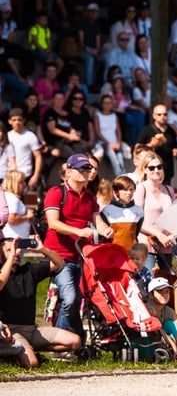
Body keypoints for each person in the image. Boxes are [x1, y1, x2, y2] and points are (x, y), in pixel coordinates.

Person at [44, 154, 111, 340]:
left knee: (78, 300)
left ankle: (64, 342)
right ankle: (68, 339)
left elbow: (97, 220)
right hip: (60, 256)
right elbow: (53, 224)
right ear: (69, 172)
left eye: (88, 168)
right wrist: (79, 231)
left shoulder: (89, 197)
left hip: (82, 257)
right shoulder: (56, 192)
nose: (86, 172)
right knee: (71, 299)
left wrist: (106, 230)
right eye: (82, 168)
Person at [0, 236, 80, 368]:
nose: (16, 251)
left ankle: (30, 350)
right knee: (32, 363)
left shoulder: (28, 270)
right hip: (12, 331)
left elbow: (59, 263)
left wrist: (42, 249)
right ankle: (14, 355)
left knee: (74, 341)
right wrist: (10, 257)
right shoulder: (2, 274)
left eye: (18, 248)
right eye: (10, 249)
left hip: (32, 329)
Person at [133, 152, 176, 273]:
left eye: (159, 167)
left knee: (166, 284)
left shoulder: (169, 190)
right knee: (149, 283)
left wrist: (173, 234)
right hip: (147, 244)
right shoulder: (141, 189)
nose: (156, 170)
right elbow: (138, 221)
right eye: (151, 167)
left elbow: (174, 217)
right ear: (145, 170)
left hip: (166, 245)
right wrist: (159, 235)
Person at [136, 105, 177, 186]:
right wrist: (151, 145)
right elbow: (137, 148)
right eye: (159, 114)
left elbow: (175, 147)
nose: (162, 116)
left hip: (167, 168)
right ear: (154, 116)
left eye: (165, 114)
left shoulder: (171, 131)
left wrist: (176, 151)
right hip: (151, 169)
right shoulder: (147, 130)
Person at [99, 175, 143, 252]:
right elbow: (103, 235)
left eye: (131, 189)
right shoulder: (107, 210)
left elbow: (136, 233)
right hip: (113, 253)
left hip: (132, 253)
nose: (129, 193)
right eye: (125, 190)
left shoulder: (138, 210)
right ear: (116, 191)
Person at [8, 109, 42, 190]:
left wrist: (35, 176)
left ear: (24, 121)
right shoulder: (7, 136)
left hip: (25, 175)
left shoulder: (30, 136)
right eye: (14, 120)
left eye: (19, 120)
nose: (17, 122)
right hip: (9, 176)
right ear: (9, 121)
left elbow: (38, 157)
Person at [2, 171, 31, 239]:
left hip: (15, 240)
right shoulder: (11, 198)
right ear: (13, 183)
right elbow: (11, 219)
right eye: (21, 182)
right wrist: (27, 216)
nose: (24, 184)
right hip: (13, 240)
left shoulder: (9, 197)